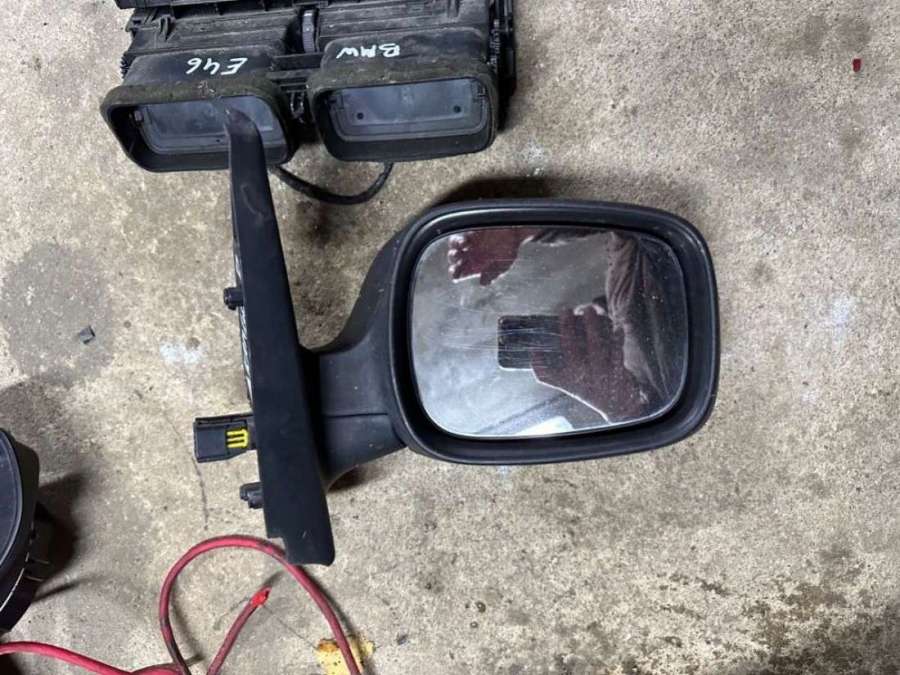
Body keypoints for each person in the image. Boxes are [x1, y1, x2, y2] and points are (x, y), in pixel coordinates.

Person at [447, 227, 686, 424]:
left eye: (550, 334)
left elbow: (627, 223)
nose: (573, 318)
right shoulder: (656, 384)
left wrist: (520, 230)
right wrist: (624, 410)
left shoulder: (621, 297)